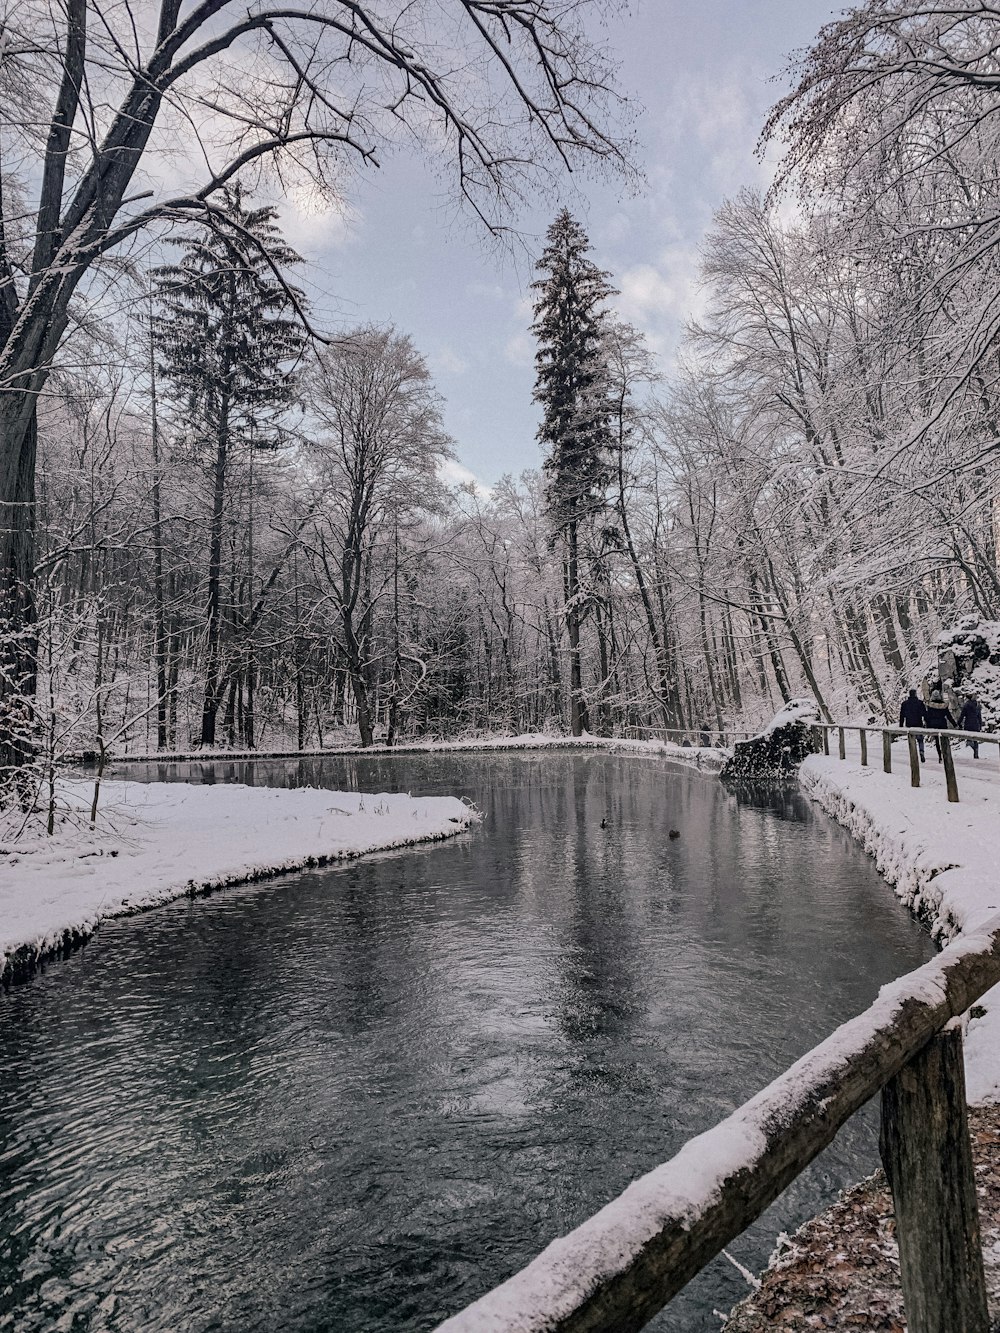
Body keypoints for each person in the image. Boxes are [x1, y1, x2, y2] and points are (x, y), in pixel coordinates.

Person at [898, 688, 926, 762]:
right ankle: (921, 751)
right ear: (915, 694)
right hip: (918, 723)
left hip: (909, 724)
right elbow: (924, 714)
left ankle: (913, 754)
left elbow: (902, 715)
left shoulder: (905, 704)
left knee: (911, 740)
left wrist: (901, 725)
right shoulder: (920, 703)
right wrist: (927, 723)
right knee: (920, 740)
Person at [925, 690, 952, 761]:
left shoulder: (930, 706)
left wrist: (927, 725)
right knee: (945, 739)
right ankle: (945, 753)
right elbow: (948, 716)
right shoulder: (943, 705)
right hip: (942, 724)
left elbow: (928, 716)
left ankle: (940, 755)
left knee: (937, 740)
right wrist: (955, 724)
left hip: (934, 725)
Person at [958, 692, 983, 758]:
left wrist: (958, 723)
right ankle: (976, 753)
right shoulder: (978, 705)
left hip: (968, 724)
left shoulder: (966, 705)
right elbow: (979, 716)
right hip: (976, 724)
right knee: (975, 740)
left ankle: (974, 748)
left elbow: (962, 715)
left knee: (969, 739)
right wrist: (980, 725)